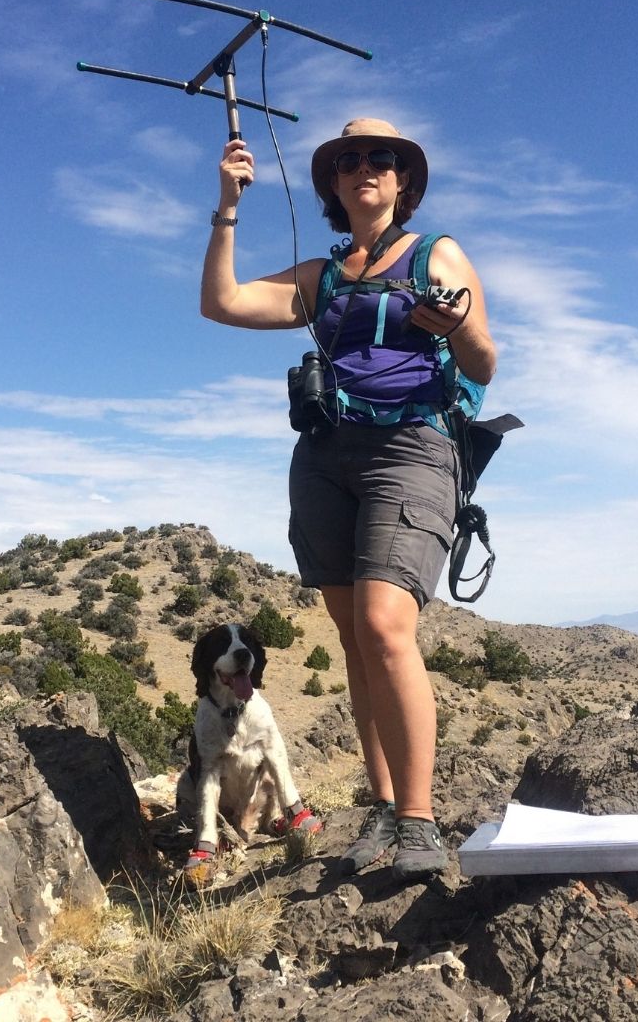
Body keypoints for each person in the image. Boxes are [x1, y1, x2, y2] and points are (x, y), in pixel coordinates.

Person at [200, 118, 497, 882]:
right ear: (333, 184)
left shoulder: (438, 254)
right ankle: (382, 804)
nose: (365, 168)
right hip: (325, 457)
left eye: (382, 159)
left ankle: (418, 820)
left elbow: (485, 363)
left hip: (414, 445)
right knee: (354, 638)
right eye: (350, 161)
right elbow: (223, 303)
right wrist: (227, 205)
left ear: (403, 181)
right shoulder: (323, 275)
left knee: (384, 623)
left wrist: (457, 325)